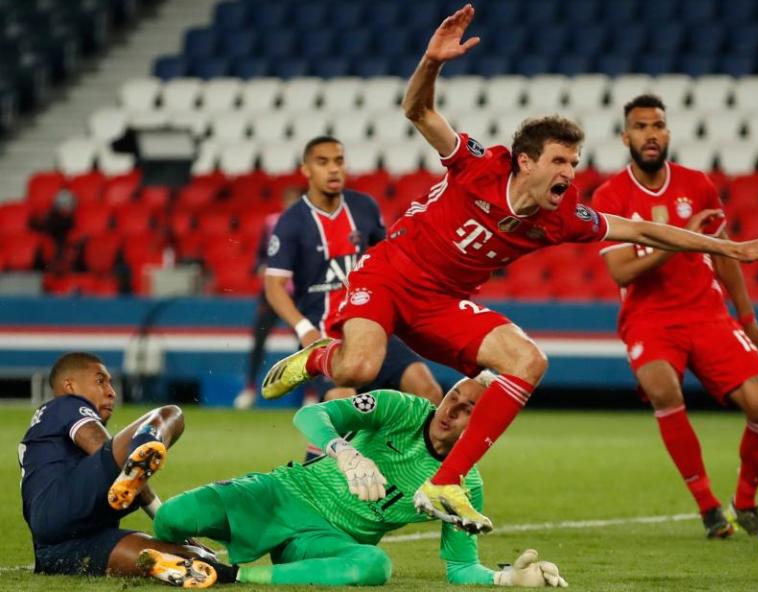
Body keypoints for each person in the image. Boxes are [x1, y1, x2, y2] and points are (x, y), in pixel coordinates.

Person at [261, 3, 758, 534]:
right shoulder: (477, 164)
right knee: (356, 369)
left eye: (575, 162)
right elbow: (418, 112)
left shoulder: (563, 216)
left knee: (528, 362)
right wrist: (432, 61)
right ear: (525, 162)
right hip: (389, 276)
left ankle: (447, 483)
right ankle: (319, 359)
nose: (569, 173)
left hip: (441, 304)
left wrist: (729, 248)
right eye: (560, 161)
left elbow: (644, 231)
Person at [152, 376, 569, 588]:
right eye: (454, 395)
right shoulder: (401, 407)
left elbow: (460, 567)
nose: (451, 408)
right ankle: (191, 550)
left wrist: (506, 580)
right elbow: (309, 415)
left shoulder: (464, 484)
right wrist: (344, 450)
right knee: (169, 519)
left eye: (467, 410)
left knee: (373, 566)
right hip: (279, 494)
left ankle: (227, 577)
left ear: (483, 427)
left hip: (324, 540)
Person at [593, 94, 758, 539]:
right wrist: (680, 239)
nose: (650, 134)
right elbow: (620, 270)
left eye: (657, 125)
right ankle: (709, 508)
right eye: (640, 127)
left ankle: (745, 498)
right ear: (626, 137)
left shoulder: (697, 184)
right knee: (662, 389)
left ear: (669, 132)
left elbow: (726, 257)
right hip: (649, 318)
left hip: (707, 313)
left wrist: (747, 313)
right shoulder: (610, 195)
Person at [262, 135, 443, 456]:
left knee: (427, 390)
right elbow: (273, 286)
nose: (333, 169)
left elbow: (386, 258)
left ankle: (415, 479)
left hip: (373, 327)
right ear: (306, 169)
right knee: (342, 403)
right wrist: (304, 330)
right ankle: (310, 477)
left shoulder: (364, 207)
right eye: (323, 162)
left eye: (339, 160)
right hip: (326, 337)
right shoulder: (292, 222)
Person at [18, 352, 233, 588]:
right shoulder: (66, 404)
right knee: (171, 414)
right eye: (100, 381)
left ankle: (172, 563)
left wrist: (183, 541)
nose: (111, 391)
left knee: (198, 559)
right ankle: (145, 444)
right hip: (62, 507)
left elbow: (125, 472)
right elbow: (101, 447)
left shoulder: (45, 427)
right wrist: (133, 461)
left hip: (54, 549)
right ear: (69, 385)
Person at [233, 186, 301, 410]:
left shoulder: (309, 225)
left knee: (306, 343)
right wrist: (259, 267)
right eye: (288, 200)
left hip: (298, 293)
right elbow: (261, 255)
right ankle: (250, 389)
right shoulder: (272, 223)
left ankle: (313, 392)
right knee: (258, 341)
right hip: (272, 293)